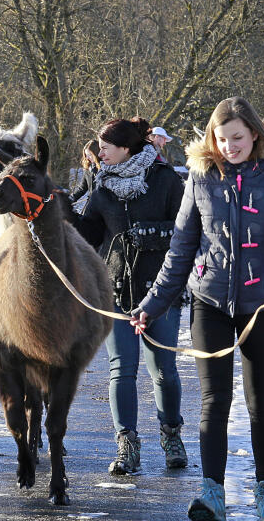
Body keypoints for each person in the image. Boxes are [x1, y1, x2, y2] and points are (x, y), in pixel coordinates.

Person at [131, 97, 264, 521]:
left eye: (237, 137)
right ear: (212, 139)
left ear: (254, 135)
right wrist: (151, 307)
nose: (229, 146)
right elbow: (179, 253)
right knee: (214, 401)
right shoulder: (200, 180)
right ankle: (212, 493)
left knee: (258, 401)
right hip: (208, 303)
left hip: (261, 306)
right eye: (221, 138)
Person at [72, 118, 187, 476]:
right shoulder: (101, 186)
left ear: (127, 149)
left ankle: (171, 436)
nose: (99, 151)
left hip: (160, 291)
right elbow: (88, 236)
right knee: (121, 370)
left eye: (106, 146)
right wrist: (56, 213)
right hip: (116, 290)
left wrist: (150, 233)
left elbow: (187, 230)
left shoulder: (166, 180)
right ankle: (127, 446)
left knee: (164, 371)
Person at [67, 139, 100, 204]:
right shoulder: (88, 169)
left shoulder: (106, 167)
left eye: (90, 154)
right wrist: (72, 198)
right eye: (86, 155)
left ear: (96, 153)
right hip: (92, 204)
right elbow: (82, 188)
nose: (87, 158)